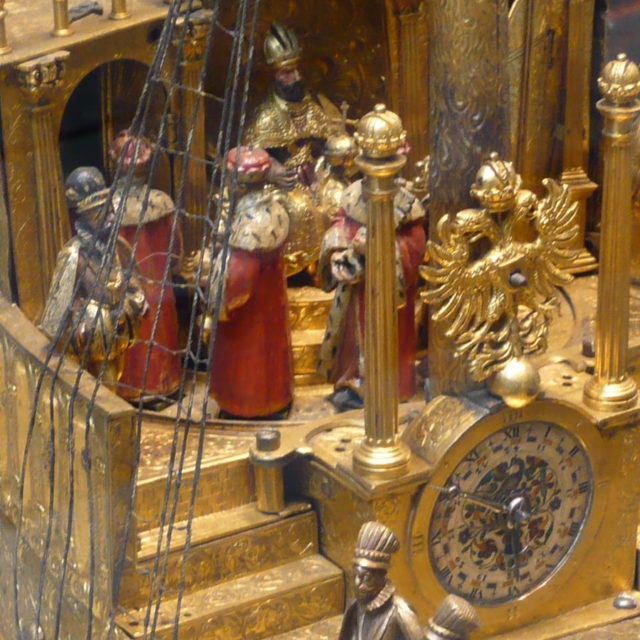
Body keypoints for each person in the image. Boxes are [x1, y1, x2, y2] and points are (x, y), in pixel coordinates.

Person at [317, 179, 426, 411]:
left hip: (386, 294)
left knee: (385, 337)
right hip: (354, 288)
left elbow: (414, 247)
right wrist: (338, 249)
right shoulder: (354, 194)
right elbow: (339, 223)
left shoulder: (406, 206)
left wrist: (378, 248)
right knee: (352, 338)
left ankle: (389, 389)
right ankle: (351, 381)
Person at [200, 146, 293, 419]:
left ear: (237, 182)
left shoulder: (253, 224)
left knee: (249, 363)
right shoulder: (273, 207)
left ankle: (247, 405)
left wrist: (211, 286)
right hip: (270, 304)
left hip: (247, 318)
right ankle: (273, 398)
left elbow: (239, 278)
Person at [244, 22, 343, 275]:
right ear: (274, 76)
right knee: (300, 210)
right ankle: (296, 272)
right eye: (287, 72)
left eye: (297, 70)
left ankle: (332, 265)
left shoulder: (312, 105)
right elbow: (250, 158)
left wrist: (326, 164)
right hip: (282, 185)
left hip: (315, 177)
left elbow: (328, 140)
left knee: (340, 197)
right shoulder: (266, 117)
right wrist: (273, 171)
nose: (296, 77)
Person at [41, 167, 147, 392]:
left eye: (111, 210)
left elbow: (134, 279)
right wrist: (78, 321)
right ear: (84, 216)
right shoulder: (74, 255)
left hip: (118, 332)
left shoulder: (118, 245)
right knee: (98, 390)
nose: (111, 218)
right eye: (102, 213)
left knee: (115, 380)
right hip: (90, 339)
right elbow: (55, 317)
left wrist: (135, 299)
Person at [109, 130, 182, 404]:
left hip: (125, 289)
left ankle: (131, 387)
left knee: (134, 336)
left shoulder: (107, 207)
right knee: (158, 333)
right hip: (159, 287)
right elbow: (175, 248)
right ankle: (162, 384)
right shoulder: (161, 202)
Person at [338, 521, 424, 640]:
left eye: (366, 578)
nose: (358, 584)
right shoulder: (354, 606)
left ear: (381, 576)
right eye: (355, 575)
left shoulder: (399, 611)